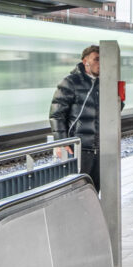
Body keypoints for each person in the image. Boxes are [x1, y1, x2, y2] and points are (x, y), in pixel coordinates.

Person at [52, 43, 106, 188]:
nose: (100, 64)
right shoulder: (70, 82)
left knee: (95, 190)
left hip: (100, 148)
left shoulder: (105, 83)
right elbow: (57, 114)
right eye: (96, 59)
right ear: (85, 61)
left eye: (103, 60)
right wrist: (62, 142)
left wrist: (120, 99)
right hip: (80, 148)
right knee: (79, 190)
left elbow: (113, 112)